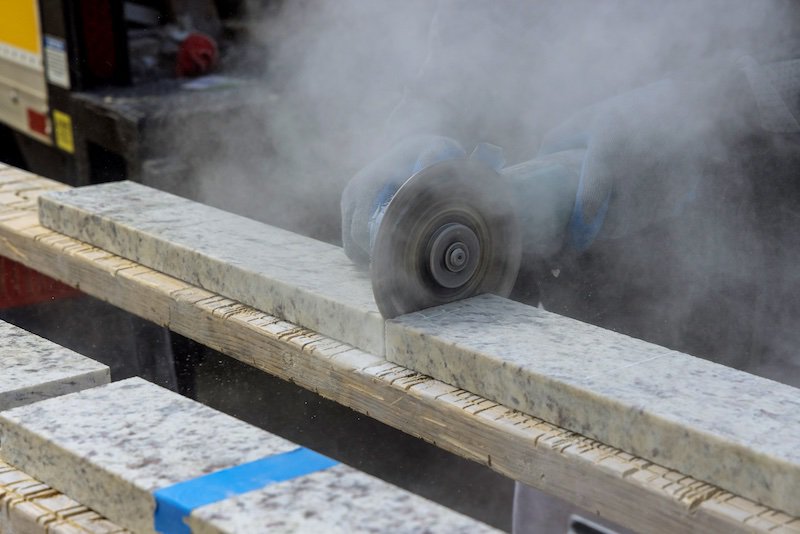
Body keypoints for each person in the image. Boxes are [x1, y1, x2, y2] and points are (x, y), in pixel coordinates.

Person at [339, 6, 800, 529]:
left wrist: (715, 106)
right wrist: (418, 134)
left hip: (771, 367)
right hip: (578, 365)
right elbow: (462, 53)